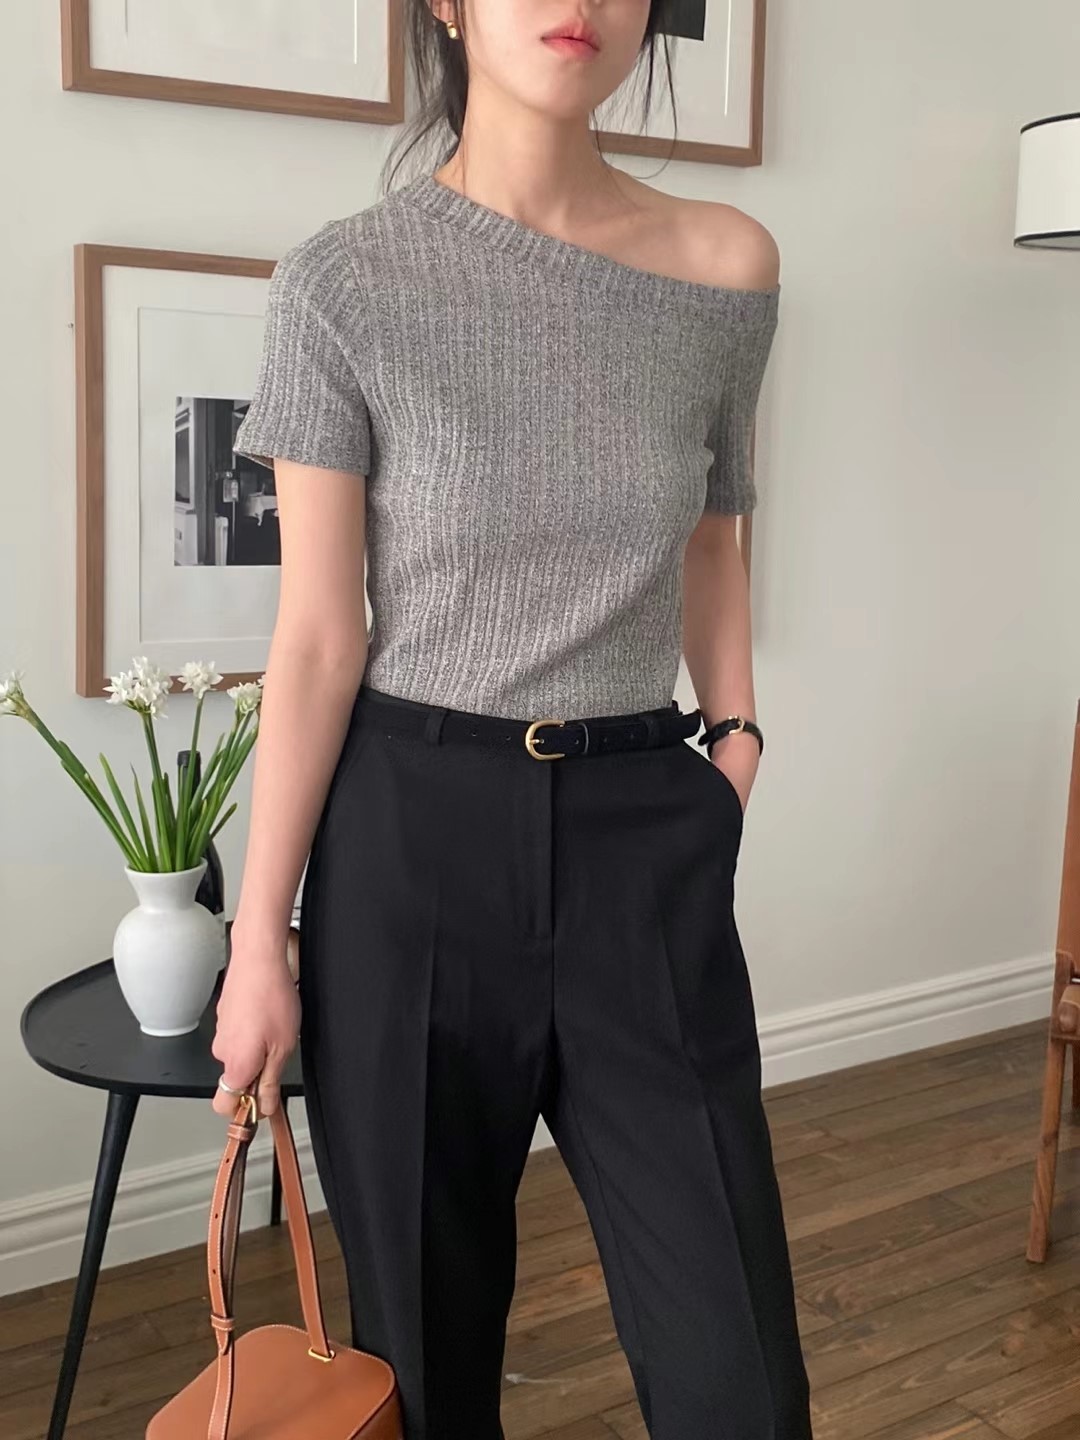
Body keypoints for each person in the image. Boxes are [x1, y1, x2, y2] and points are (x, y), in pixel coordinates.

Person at [213, 2, 812, 1437]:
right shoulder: (344, 283)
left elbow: (715, 536)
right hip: (410, 840)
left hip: (641, 831)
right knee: (422, 1359)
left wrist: (734, 744)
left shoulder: (727, 266)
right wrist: (258, 941)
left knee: (735, 1368)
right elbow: (318, 636)